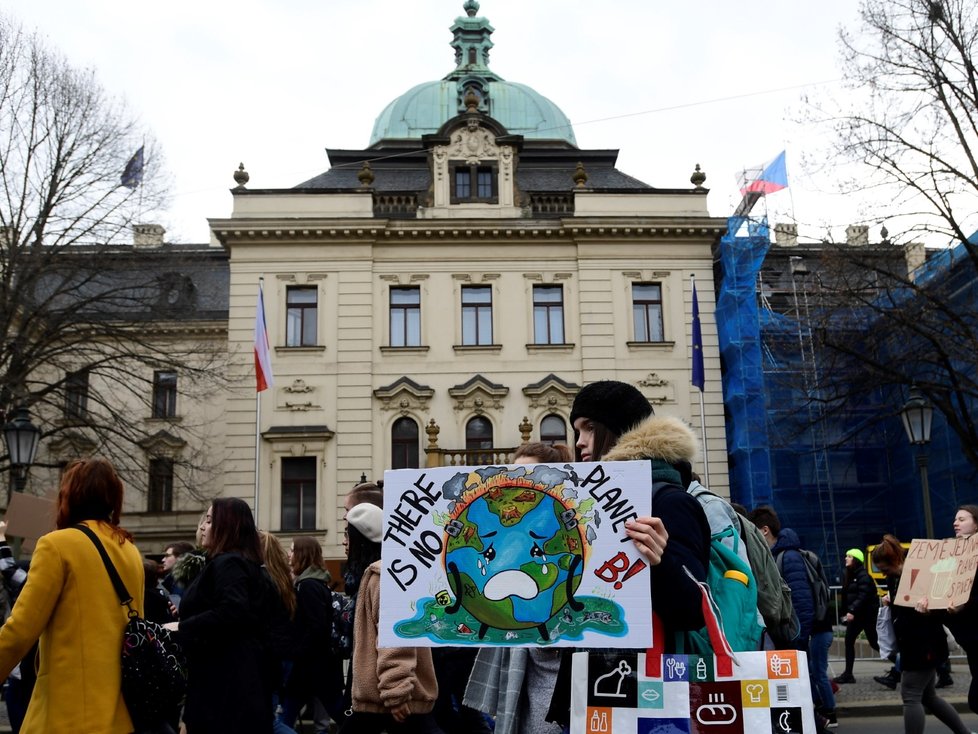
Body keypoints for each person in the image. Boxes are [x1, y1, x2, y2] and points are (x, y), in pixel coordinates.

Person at [547, 380, 711, 727]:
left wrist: (660, 560)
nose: (578, 441)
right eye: (576, 430)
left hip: (644, 695)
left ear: (617, 429)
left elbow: (694, 609)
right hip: (587, 693)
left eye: (589, 428)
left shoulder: (669, 500)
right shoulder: (584, 506)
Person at [0, 457, 145, 733]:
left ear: (69, 495)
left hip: (69, 713)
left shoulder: (57, 545)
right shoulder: (128, 549)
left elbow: (20, 630)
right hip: (118, 714)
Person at [464, 441, 573, 734]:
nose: (517, 483)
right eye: (512, 473)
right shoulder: (504, 542)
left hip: (571, 701)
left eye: (528, 474)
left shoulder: (559, 538)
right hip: (526, 698)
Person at [164, 497, 277, 734]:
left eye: (208, 520)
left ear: (227, 525)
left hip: (224, 686)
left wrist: (181, 628)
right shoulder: (243, 564)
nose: (203, 527)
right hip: (237, 682)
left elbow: (232, 611)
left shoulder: (229, 563)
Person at [338, 501, 441, 734]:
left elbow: (396, 637)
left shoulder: (385, 576)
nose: (344, 541)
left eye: (348, 534)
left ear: (361, 539)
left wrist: (396, 692)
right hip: (387, 698)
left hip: (389, 702)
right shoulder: (379, 574)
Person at [871, 534, 972, 734]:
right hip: (919, 645)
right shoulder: (897, 578)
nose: (883, 574)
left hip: (923, 646)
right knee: (927, 697)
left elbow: (940, 609)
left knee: (910, 695)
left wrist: (927, 610)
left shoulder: (919, 576)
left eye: (885, 569)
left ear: (895, 561)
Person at [279, 536, 344, 731]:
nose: (289, 555)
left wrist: (295, 650)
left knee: (285, 718)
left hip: (312, 668)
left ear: (302, 555)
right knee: (287, 715)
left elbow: (316, 627)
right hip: (316, 667)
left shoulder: (308, 586)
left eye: (292, 550)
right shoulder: (314, 583)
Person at [946, 503, 978, 714]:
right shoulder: (956, 553)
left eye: (962, 519)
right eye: (956, 519)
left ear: (976, 525)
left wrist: (964, 604)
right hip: (969, 633)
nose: (956, 523)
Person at [833, 548, 880, 684]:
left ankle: (901, 664)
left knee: (874, 642)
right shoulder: (852, 575)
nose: (846, 558)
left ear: (856, 560)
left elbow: (863, 596)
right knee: (849, 642)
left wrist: (852, 610)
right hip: (859, 617)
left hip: (866, 617)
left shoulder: (863, 576)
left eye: (849, 556)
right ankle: (848, 674)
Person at [161, 540, 196, 609]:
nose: (163, 560)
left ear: (180, 558)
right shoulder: (171, 581)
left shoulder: (189, 581)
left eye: (167, 556)